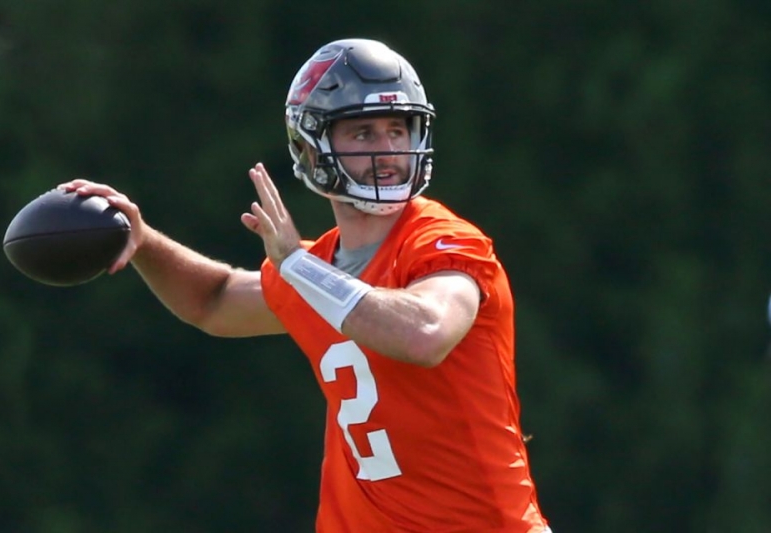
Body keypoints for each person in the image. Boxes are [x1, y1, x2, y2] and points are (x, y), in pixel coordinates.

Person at [60, 38, 551, 533]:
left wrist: (298, 266)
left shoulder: (444, 241)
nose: (388, 150)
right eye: (363, 133)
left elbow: (425, 334)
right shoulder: (313, 267)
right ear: (312, 146)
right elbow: (213, 300)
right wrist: (145, 241)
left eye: (397, 129)